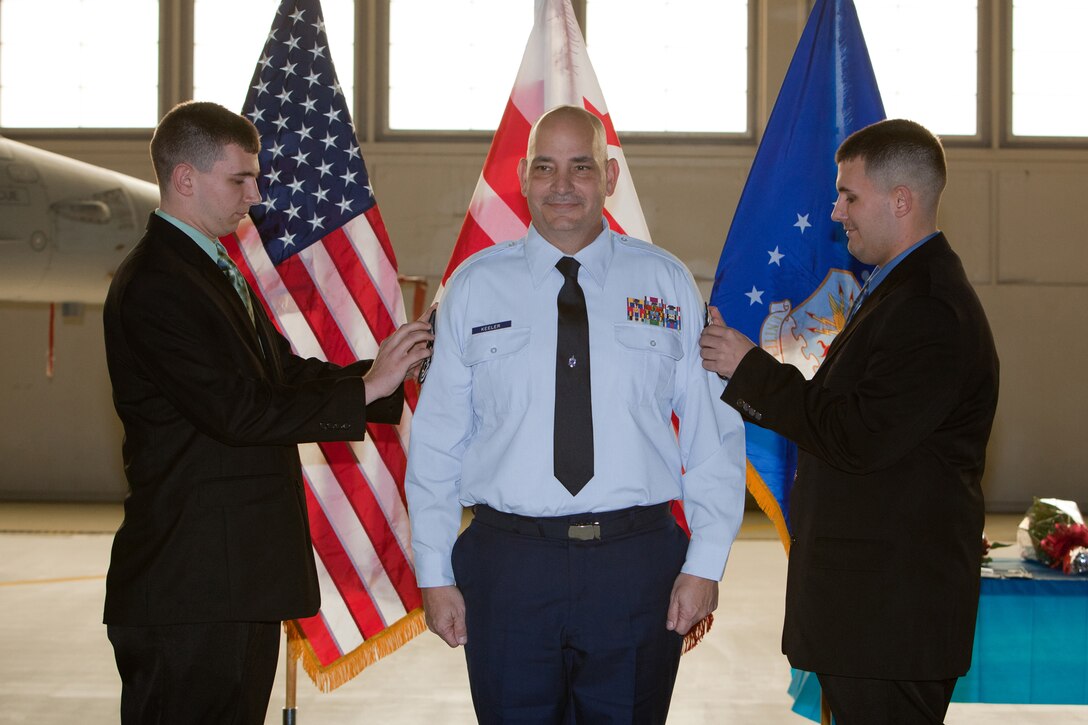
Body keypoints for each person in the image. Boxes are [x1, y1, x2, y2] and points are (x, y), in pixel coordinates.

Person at [405, 105, 746, 724]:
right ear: (522, 177)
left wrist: (705, 563)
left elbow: (711, 436)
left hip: (635, 567)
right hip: (508, 568)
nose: (562, 185)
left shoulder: (665, 284)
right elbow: (435, 444)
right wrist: (433, 569)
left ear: (610, 176)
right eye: (546, 167)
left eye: (581, 167)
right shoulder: (473, 288)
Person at [101, 101, 433, 725]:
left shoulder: (207, 268)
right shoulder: (157, 283)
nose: (255, 197)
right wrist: (364, 392)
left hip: (231, 584)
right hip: (191, 591)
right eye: (241, 180)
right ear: (185, 179)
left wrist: (378, 377)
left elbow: (282, 375)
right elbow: (239, 412)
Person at [700, 119, 999, 723]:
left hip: (891, 622)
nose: (837, 212)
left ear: (902, 200)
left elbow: (856, 436)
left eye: (849, 196)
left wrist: (751, 370)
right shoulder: (898, 292)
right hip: (874, 618)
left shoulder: (929, 309)